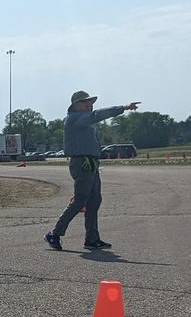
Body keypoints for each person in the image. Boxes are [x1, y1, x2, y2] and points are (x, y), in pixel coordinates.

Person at [45, 90, 140, 251]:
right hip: (81, 163)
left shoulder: (86, 124)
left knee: (94, 200)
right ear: (75, 105)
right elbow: (96, 115)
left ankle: (92, 239)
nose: (89, 105)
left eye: (90, 102)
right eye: (85, 102)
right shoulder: (74, 119)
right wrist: (122, 107)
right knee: (80, 200)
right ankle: (54, 234)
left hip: (91, 163)